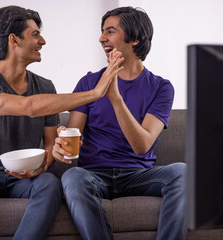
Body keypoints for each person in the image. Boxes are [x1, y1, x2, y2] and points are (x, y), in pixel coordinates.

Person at [0, 5, 123, 240]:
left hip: (26, 179)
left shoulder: (45, 87)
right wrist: (95, 93)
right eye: (35, 34)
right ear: (14, 40)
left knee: (50, 183)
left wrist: (46, 160)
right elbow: (28, 107)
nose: (42, 40)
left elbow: (49, 144)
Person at [52, 6, 187, 240]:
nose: (101, 38)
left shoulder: (161, 88)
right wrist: (61, 143)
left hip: (139, 174)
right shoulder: (89, 82)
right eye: (102, 31)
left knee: (183, 173)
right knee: (72, 177)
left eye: (110, 31)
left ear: (134, 39)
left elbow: (142, 145)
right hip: (93, 174)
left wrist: (115, 98)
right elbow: (74, 134)